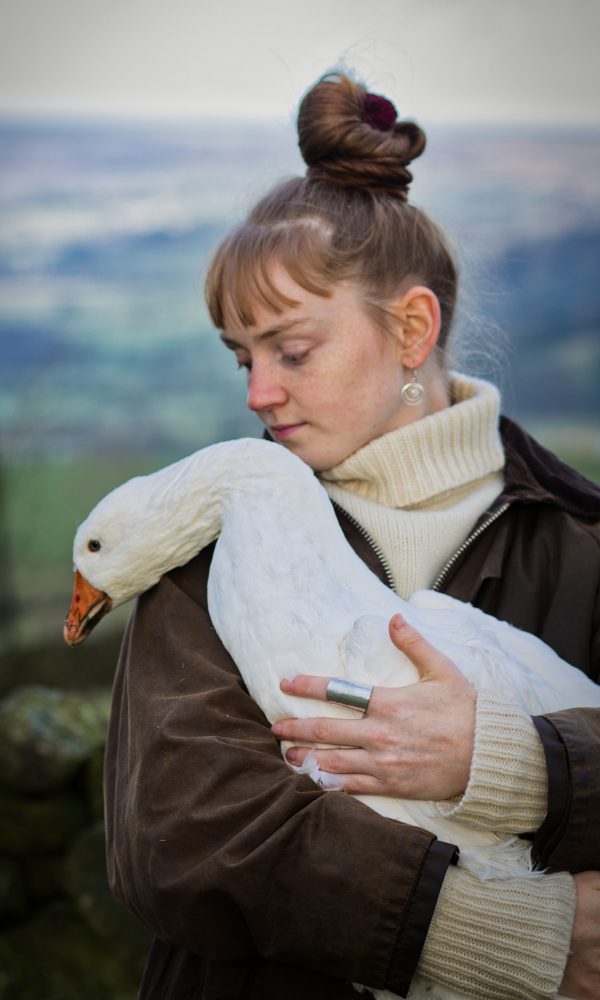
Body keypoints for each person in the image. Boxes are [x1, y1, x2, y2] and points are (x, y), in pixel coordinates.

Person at [104, 71, 600, 999]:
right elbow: (184, 834)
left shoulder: (582, 546)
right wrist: (520, 938)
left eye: (290, 351)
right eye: (241, 358)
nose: (257, 394)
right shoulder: (202, 552)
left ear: (413, 329)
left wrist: (520, 765)